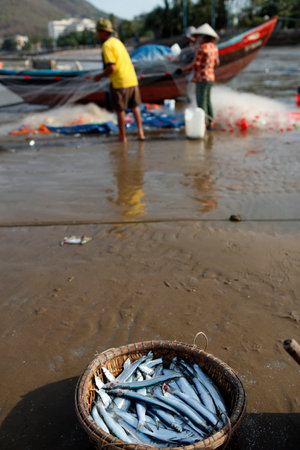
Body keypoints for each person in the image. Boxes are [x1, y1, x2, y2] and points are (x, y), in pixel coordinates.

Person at [94, 18, 145, 142]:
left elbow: (111, 67)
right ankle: (140, 133)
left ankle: (122, 137)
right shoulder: (117, 42)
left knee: (120, 110)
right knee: (134, 107)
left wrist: (100, 76)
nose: (97, 35)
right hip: (132, 79)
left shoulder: (106, 45)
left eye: (98, 32)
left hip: (120, 82)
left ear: (103, 32)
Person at [181, 23, 220, 130]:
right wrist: (208, 67)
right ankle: (211, 121)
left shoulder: (201, 48)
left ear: (204, 37)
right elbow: (217, 63)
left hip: (201, 78)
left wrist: (184, 69)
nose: (198, 39)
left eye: (200, 37)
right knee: (207, 100)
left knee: (201, 101)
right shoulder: (214, 47)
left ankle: (202, 124)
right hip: (210, 77)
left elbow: (196, 64)